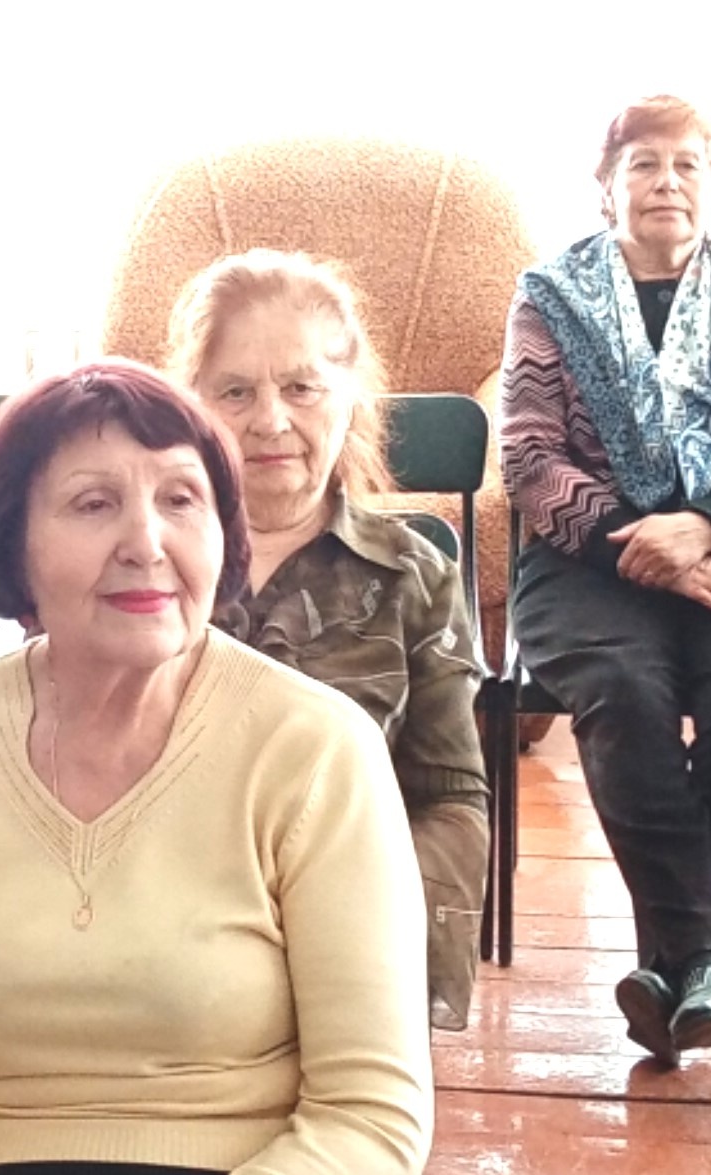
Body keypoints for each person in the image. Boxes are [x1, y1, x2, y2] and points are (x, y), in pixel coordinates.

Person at [0, 360, 434, 1175]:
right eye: (93, 504)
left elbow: (369, 1113)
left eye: (181, 500)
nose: (146, 544)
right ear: (14, 544)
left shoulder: (319, 750)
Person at [498, 94, 711, 1065]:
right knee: (622, 687)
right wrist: (649, 550)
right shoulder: (549, 293)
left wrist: (705, 527)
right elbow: (528, 458)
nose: (666, 182)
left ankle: (676, 968)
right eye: (642, 163)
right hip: (586, 560)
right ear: (605, 187)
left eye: (688, 164)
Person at [167, 249, 491, 1031]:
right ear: (192, 404)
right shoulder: (147, 561)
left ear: (349, 397)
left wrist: (359, 938)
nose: (269, 421)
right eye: (235, 391)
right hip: (162, 952)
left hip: (352, 946)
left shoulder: (415, 577)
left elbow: (450, 801)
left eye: (301, 387)